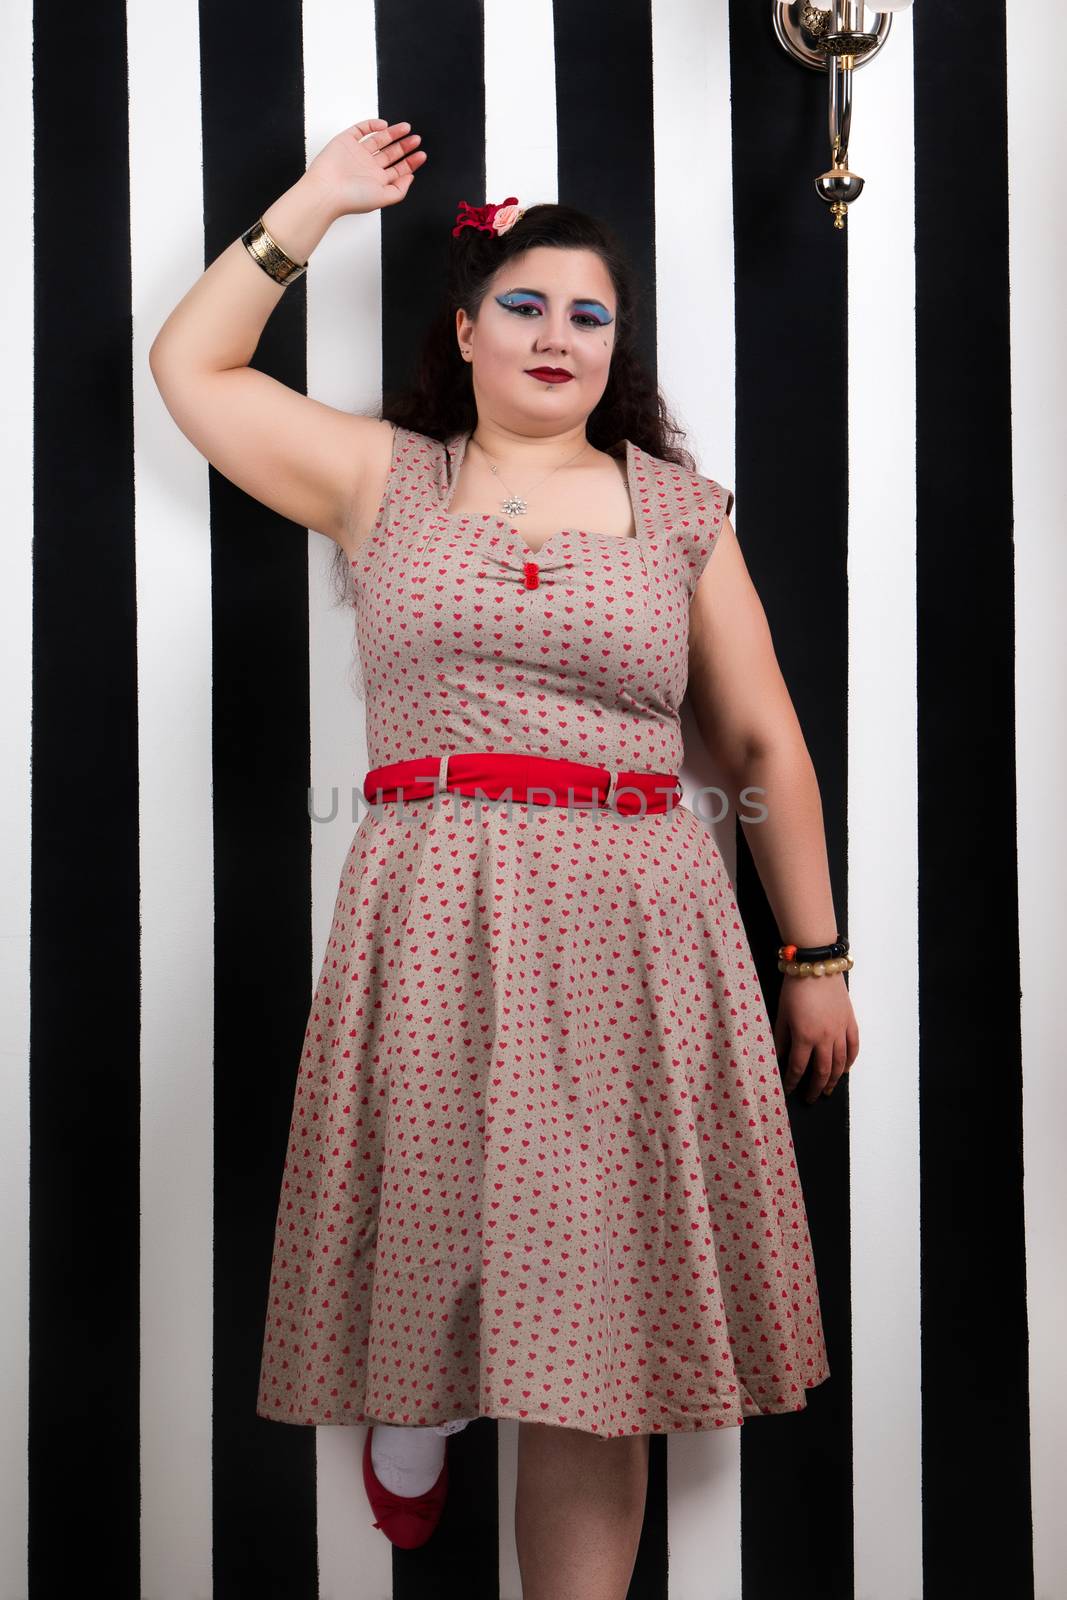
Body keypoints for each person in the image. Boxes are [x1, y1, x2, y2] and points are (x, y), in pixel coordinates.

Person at [150, 117, 859, 1600]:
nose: (558, 334)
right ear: (466, 331)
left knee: (597, 1333)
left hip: (640, 923)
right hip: (436, 901)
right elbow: (193, 373)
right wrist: (320, 201)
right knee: (433, 1230)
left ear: (617, 355)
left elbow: (763, 747)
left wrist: (817, 956)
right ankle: (417, 1409)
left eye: (591, 316)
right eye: (526, 305)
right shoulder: (382, 481)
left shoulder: (678, 513)